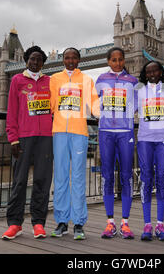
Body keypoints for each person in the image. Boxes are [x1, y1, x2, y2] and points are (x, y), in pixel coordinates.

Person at [2, 46, 53, 240]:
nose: (35, 62)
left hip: (46, 138)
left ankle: (38, 223)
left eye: (39, 59)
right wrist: (13, 138)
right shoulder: (17, 80)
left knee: (42, 180)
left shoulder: (50, 81)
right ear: (26, 60)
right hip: (23, 137)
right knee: (19, 181)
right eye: (32, 59)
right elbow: (12, 112)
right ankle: (15, 224)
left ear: (43, 63)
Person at [49, 47, 100, 240]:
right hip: (60, 131)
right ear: (63, 60)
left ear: (79, 60)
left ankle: (79, 223)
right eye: (67, 58)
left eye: (74, 58)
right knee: (61, 176)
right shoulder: (54, 79)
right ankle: (62, 221)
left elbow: (94, 102)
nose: (70, 61)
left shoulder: (87, 80)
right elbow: (50, 104)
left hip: (79, 132)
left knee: (78, 177)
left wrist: (102, 116)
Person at [95, 47, 138, 239]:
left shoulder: (133, 81)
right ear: (108, 61)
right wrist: (99, 114)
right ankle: (110, 223)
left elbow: (140, 104)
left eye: (121, 59)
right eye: (114, 59)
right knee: (107, 177)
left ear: (124, 60)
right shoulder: (101, 80)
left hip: (125, 132)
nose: (118, 63)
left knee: (127, 176)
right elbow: (93, 102)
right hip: (105, 132)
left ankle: (126, 223)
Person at [136, 61, 164, 241]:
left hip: (163, 139)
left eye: (155, 70)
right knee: (146, 179)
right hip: (144, 139)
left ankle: (160, 225)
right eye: (148, 71)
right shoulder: (139, 91)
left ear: (160, 72)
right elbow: (127, 111)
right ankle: (147, 225)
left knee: (161, 179)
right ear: (145, 74)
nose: (152, 73)